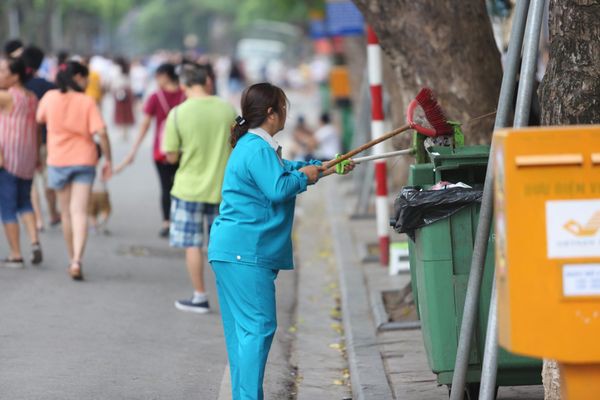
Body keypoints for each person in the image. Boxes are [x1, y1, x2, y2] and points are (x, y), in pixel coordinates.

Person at [207, 82, 354, 400]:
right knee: (258, 328)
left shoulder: (254, 146)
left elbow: (286, 171)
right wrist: (306, 177)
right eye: (284, 107)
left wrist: (325, 168)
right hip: (244, 252)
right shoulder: (257, 148)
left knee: (243, 333)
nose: (287, 112)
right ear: (272, 113)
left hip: (231, 250)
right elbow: (278, 187)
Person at [162, 63, 235, 313]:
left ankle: (200, 296)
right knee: (223, 246)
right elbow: (236, 145)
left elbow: (170, 156)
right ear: (208, 82)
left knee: (193, 244)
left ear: (183, 86)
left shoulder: (178, 113)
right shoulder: (227, 109)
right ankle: (232, 298)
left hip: (188, 190)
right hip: (222, 188)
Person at [36, 61, 113, 280]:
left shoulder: (50, 97)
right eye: (85, 77)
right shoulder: (87, 101)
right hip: (84, 160)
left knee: (66, 213)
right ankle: (78, 259)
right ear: (78, 77)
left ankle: (72, 259)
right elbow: (102, 133)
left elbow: (38, 119)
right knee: (79, 211)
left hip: (57, 160)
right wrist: (108, 159)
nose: (88, 81)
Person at [115, 63, 185, 237]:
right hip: (184, 149)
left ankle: (166, 222)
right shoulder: (186, 95)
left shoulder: (155, 97)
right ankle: (179, 220)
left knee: (165, 186)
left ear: (165, 76)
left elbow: (145, 125)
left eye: (158, 76)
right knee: (181, 185)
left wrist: (133, 150)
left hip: (161, 150)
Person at [0, 56, 43, 268]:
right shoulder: (32, 97)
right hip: (27, 157)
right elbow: (37, 130)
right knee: (25, 202)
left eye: (1, 72)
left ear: (15, 76)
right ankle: (34, 242)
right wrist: (38, 157)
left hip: (7, 158)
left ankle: (16, 254)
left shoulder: (7, 97)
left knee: (8, 207)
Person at [21, 45, 61, 231]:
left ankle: (38, 219)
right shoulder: (48, 86)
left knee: (32, 182)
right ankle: (53, 212)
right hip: (47, 140)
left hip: (25, 140)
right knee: (47, 178)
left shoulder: (19, 87)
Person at [88, 143, 111, 235]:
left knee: (91, 213)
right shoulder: (103, 163)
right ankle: (102, 222)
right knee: (106, 210)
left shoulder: (88, 164)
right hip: (102, 191)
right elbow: (107, 176)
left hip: (91, 192)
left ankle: (94, 227)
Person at [110, 57, 135, 141]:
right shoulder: (128, 69)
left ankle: (121, 132)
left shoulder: (116, 70)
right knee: (127, 113)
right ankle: (125, 132)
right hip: (127, 92)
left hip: (119, 92)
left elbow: (113, 82)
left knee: (120, 112)